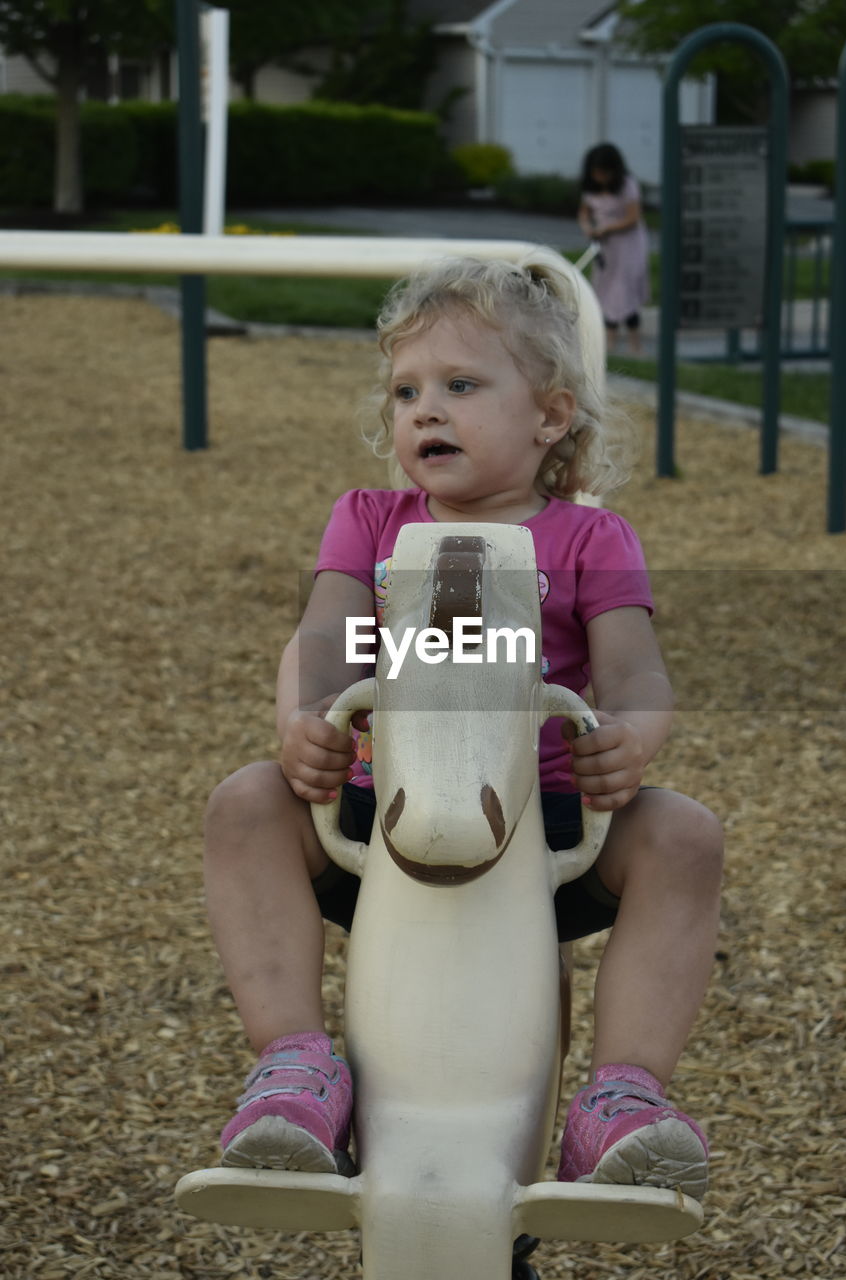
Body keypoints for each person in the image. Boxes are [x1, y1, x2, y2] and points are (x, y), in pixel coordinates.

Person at [203, 247, 723, 1200]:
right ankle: (294, 1066)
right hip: (377, 817)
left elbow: (634, 670)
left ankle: (623, 1095)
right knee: (244, 804)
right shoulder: (367, 521)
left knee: (683, 835)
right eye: (405, 391)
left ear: (551, 414)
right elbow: (323, 639)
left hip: (553, 833)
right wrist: (304, 719)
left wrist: (629, 737)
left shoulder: (588, 538)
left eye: (461, 384)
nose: (424, 409)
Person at [578, 143, 649, 355]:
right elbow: (584, 213)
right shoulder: (590, 190)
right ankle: (609, 345)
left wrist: (608, 227)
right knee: (606, 291)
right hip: (605, 248)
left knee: (625, 292)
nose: (599, 176)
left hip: (628, 247)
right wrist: (588, 227)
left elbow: (633, 217)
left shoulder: (627, 184)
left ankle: (634, 346)